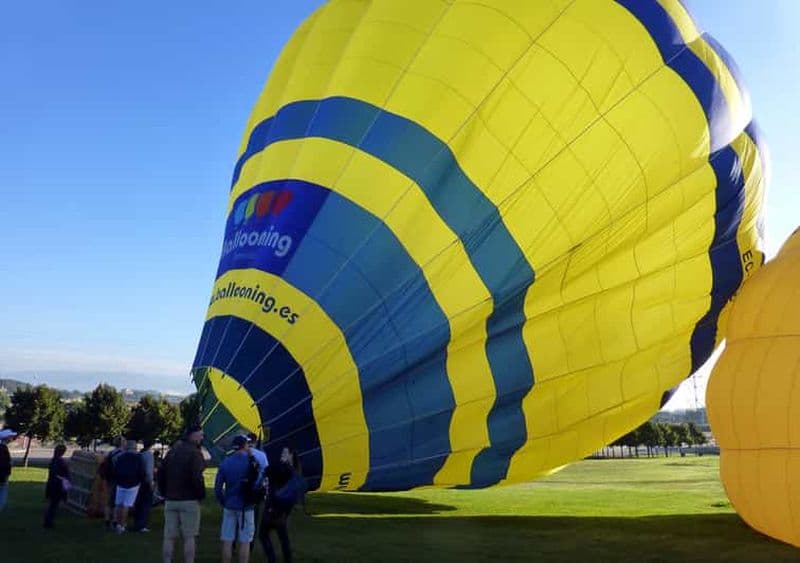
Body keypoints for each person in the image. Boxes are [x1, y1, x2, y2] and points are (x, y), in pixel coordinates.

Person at [159, 424, 206, 563]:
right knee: (189, 536)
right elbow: (197, 477)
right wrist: (200, 494)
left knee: (169, 536)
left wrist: (164, 492)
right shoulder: (195, 453)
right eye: (200, 434)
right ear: (193, 435)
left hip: (171, 498)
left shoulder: (172, 451)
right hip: (189, 499)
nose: (202, 437)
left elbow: (161, 473)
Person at [215, 435, 261, 563]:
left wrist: (223, 501)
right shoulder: (251, 462)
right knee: (245, 541)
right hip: (246, 505)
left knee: (227, 539)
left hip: (230, 504)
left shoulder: (225, 462)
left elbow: (218, 488)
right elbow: (258, 484)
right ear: (245, 445)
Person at [259, 447, 302, 563]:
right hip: (282, 510)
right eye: (282, 452)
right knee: (283, 538)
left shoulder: (280, 469)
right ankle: (286, 560)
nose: (282, 455)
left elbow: (265, 474)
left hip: (272, 508)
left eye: (285, 453)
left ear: (290, 456)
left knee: (264, 534)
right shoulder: (293, 472)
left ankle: (272, 558)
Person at [112, 439, 145, 533]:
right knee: (126, 505)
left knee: (118, 504)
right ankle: (122, 525)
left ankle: (117, 524)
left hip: (120, 481)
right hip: (133, 483)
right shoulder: (138, 457)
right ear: (135, 447)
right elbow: (141, 470)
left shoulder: (121, 456)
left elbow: (116, 468)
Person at [43, 444, 71, 528]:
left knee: (52, 504)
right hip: (57, 485)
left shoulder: (54, 460)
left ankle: (48, 520)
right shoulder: (60, 462)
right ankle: (49, 521)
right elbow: (63, 473)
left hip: (52, 484)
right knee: (54, 504)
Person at [100, 436, 124, 529]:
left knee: (109, 501)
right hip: (118, 478)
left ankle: (107, 520)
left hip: (109, 478)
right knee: (117, 501)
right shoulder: (122, 454)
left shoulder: (110, 453)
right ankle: (114, 520)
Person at [133, 439, 155, 532]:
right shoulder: (149, 455)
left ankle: (137, 523)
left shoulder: (140, 454)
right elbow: (149, 471)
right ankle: (142, 525)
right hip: (145, 482)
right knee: (145, 504)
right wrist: (151, 483)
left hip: (138, 481)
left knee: (138, 504)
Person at [0, 429, 17, 513]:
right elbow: (3, 464)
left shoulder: (3, 448)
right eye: (10, 437)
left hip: (2, 475)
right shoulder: (2, 449)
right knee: (2, 496)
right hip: (2, 476)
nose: (11, 438)